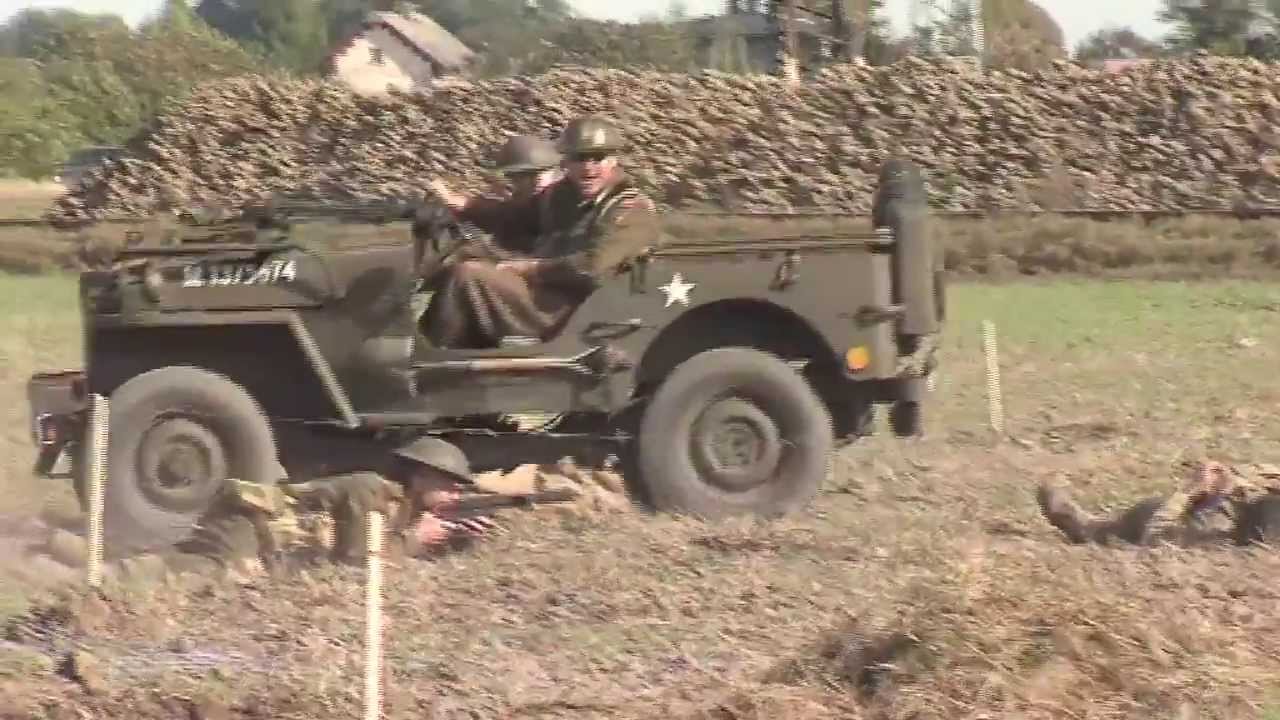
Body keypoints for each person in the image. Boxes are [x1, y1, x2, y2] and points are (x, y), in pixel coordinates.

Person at [70, 437, 497, 585]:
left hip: (265, 543)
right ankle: (85, 574)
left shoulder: (401, 510)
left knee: (169, 556)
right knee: (197, 573)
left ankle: (63, 547)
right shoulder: (371, 492)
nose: (455, 494)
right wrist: (415, 542)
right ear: (420, 476)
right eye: (449, 484)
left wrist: (452, 541)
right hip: (251, 530)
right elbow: (355, 563)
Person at [421, 114, 661, 349]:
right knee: (466, 257)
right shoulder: (561, 197)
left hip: (571, 306)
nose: (588, 169)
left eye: (597, 158)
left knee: (468, 275)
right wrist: (462, 204)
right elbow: (511, 216)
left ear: (613, 161)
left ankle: (435, 359)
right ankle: (442, 345)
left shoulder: (629, 208)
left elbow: (593, 267)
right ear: (565, 163)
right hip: (544, 290)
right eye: (579, 158)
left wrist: (531, 268)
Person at [1036, 459, 1280, 547]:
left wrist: (1191, 491)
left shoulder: (1220, 534)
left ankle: (1085, 528)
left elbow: (1158, 536)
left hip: (1180, 521)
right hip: (1222, 507)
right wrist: (1231, 476)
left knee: (1140, 519)